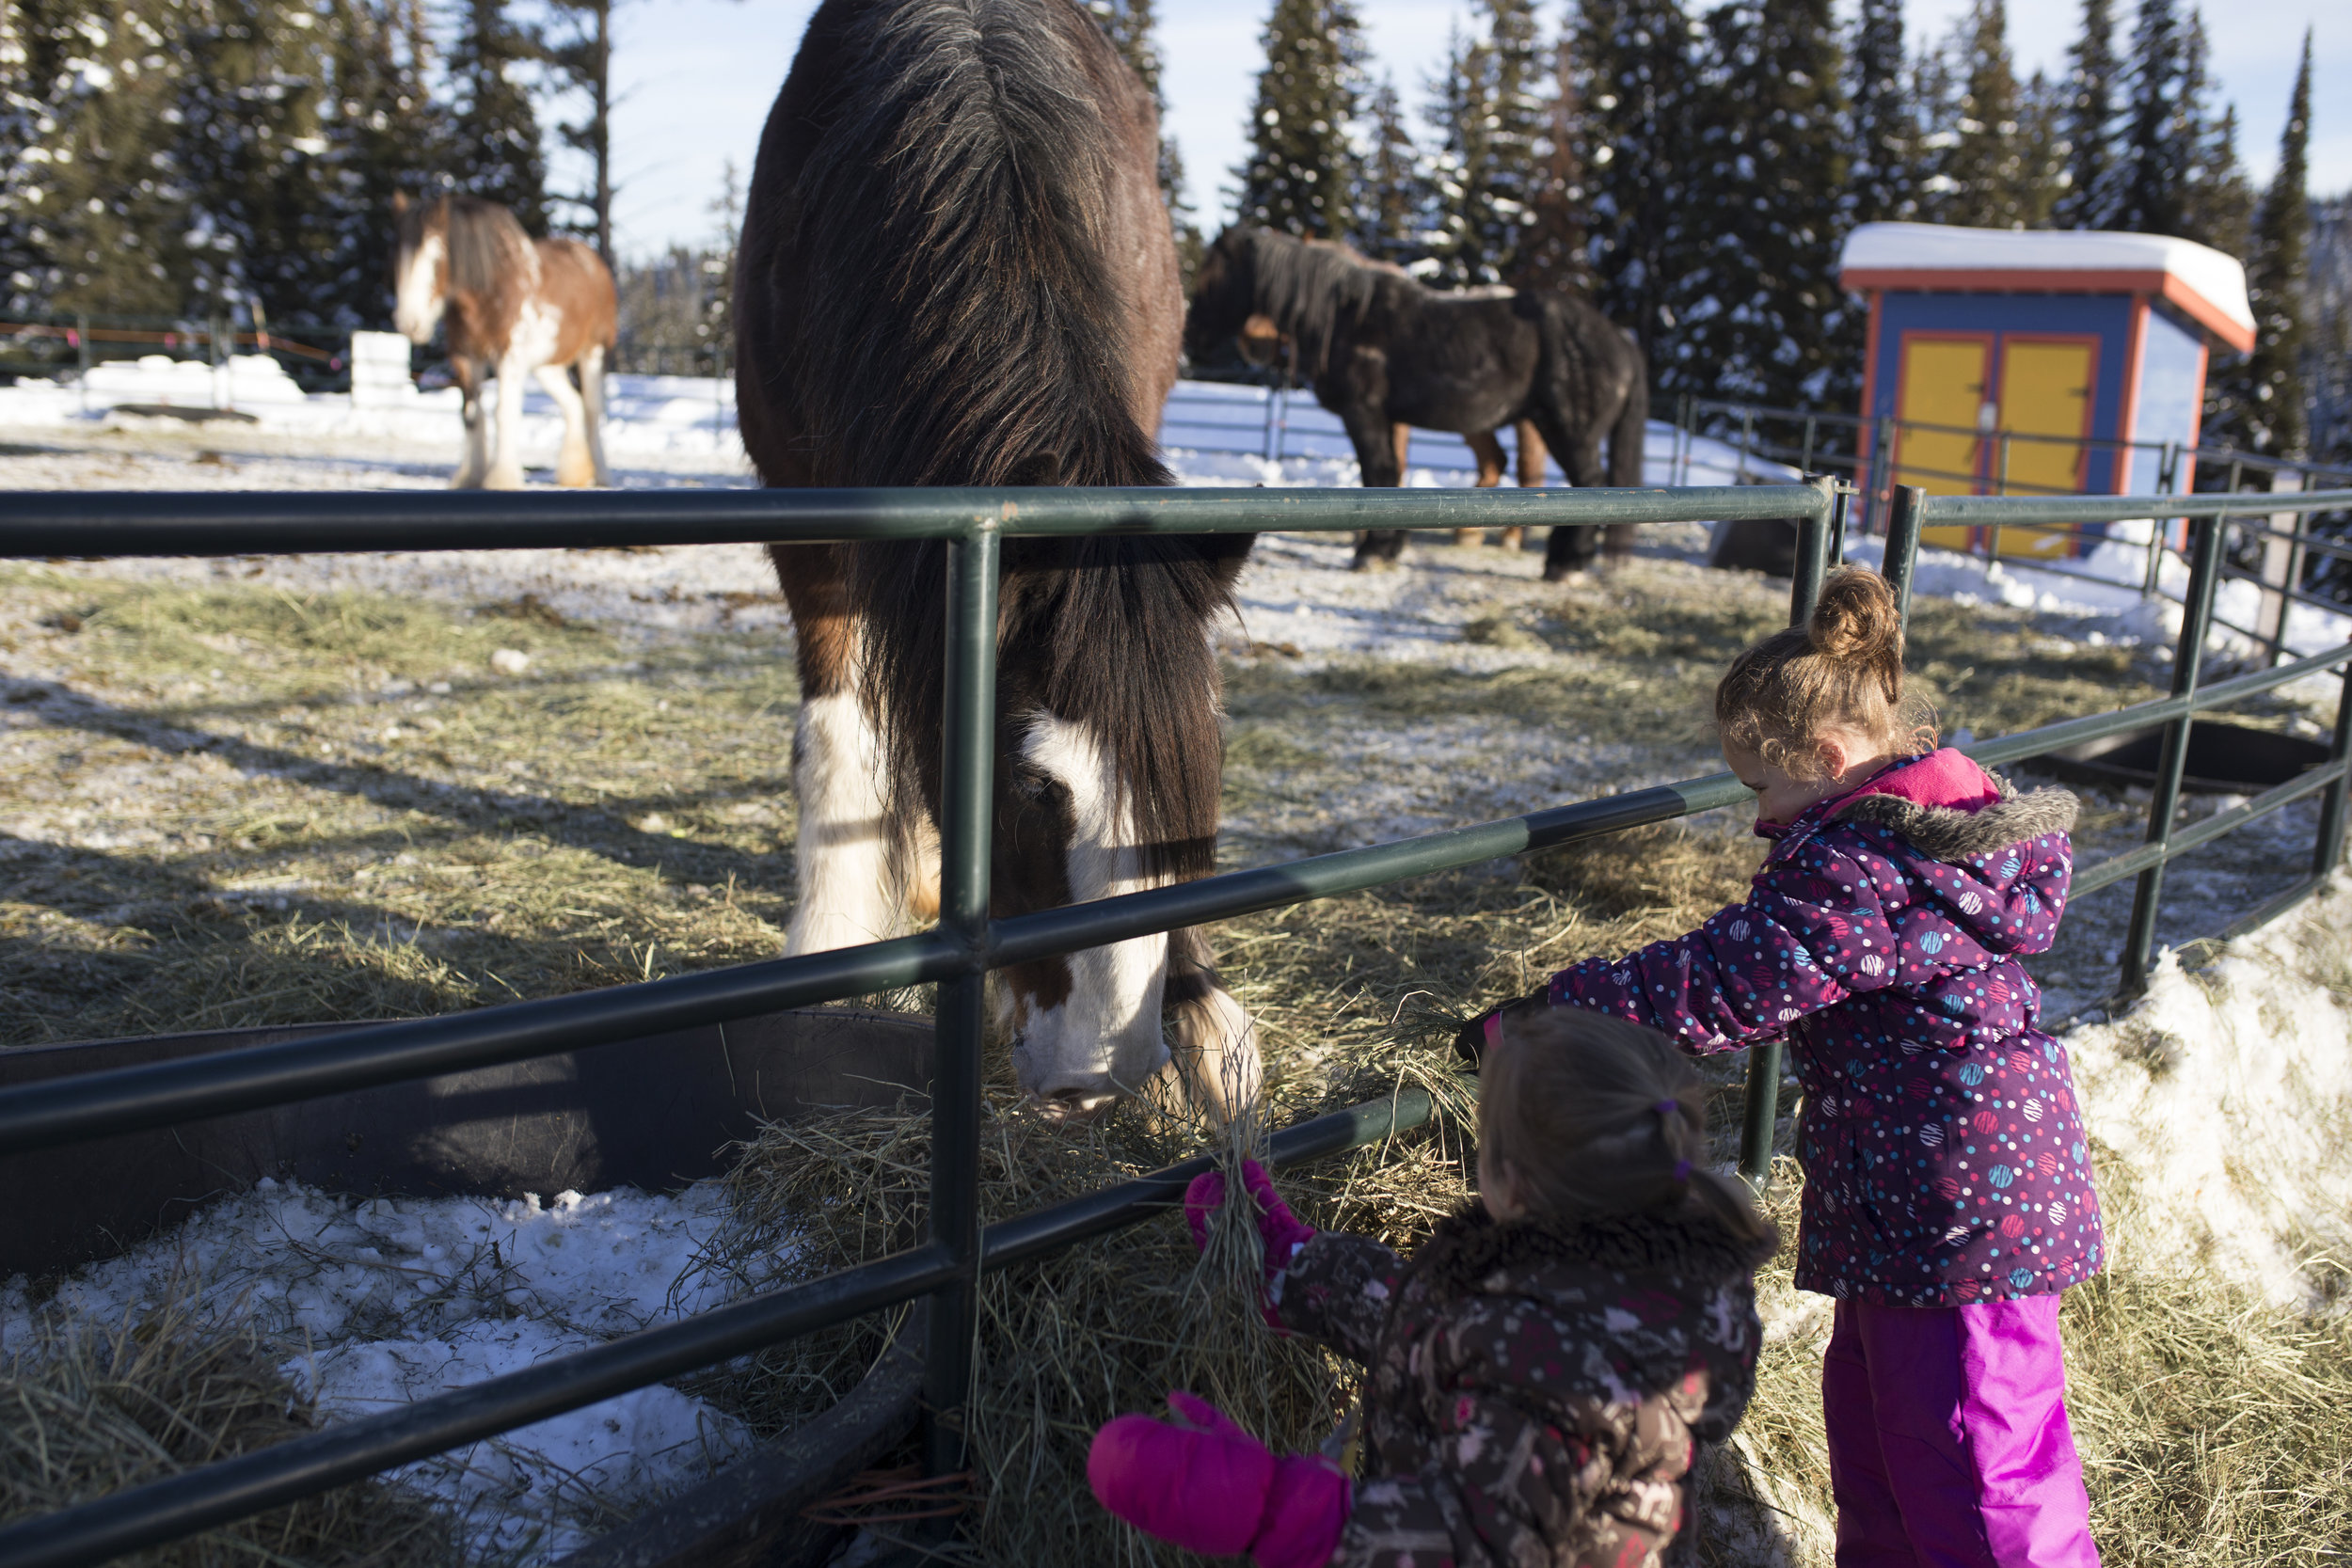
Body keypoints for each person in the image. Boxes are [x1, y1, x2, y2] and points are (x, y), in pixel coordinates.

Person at [1462, 565, 2105, 1567]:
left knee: (1980, 1462)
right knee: (1886, 1439)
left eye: (1761, 787)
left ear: (1825, 754)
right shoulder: (1909, 842)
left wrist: (1559, 1009)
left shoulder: (1867, 868)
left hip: (1958, 1208)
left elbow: (1732, 981)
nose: (1760, 818)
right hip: (1913, 1194)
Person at [1086, 1008, 1779, 1567]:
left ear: (1510, 1181)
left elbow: (1473, 1544)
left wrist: (1280, 1510)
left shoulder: (1562, 1365)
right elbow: (1443, 1325)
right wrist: (1297, 1267)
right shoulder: (1614, 1285)